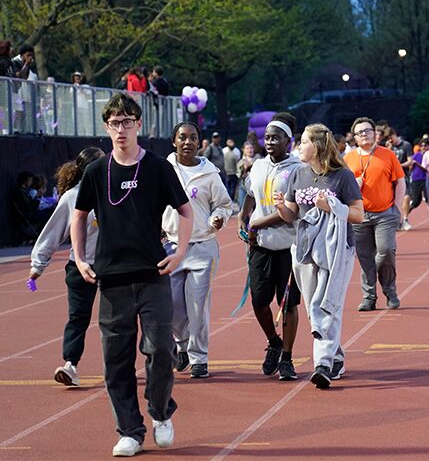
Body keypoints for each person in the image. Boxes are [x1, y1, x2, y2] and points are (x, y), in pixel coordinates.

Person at [71, 93, 193, 457]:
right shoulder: (96, 172)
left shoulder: (157, 167)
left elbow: (185, 211)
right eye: (114, 122)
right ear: (106, 127)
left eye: (127, 121)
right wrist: (80, 258)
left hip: (153, 273)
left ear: (139, 124)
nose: (121, 129)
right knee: (117, 359)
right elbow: (78, 216)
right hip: (112, 280)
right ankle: (129, 431)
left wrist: (181, 252)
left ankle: (159, 410)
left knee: (160, 348)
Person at [274, 123, 364, 389]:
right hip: (304, 250)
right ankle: (335, 355)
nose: (299, 147)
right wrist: (281, 207)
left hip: (337, 251)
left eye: (303, 142)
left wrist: (333, 206)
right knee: (315, 310)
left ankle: (322, 365)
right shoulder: (297, 175)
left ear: (318, 146)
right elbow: (291, 215)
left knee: (328, 304)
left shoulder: (342, 177)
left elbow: (358, 214)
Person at [29, 147, 105, 387]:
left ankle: (120, 365)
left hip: (113, 266)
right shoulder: (72, 196)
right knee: (78, 317)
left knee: (117, 320)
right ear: (89, 169)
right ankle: (70, 365)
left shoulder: (115, 192)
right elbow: (53, 231)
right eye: (102, 163)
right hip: (80, 266)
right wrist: (37, 264)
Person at [163, 122, 232, 379]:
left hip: (202, 247)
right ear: (174, 141)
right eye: (182, 137)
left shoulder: (209, 174)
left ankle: (199, 357)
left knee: (197, 305)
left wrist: (218, 218)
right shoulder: (163, 170)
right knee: (173, 305)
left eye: (193, 138)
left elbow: (224, 205)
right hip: (170, 246)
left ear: (199, 142)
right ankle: (181, 346)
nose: (188, 142)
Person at [238, 113, 303, 381]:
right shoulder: (258, 166)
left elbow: (291, 210)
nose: (269, 142)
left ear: (289, 141)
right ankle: (273, 341)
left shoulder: (298, 169)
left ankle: (287, 358)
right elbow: (251, 197)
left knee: (287, 303)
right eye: (267, 137)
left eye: (276, 138)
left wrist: (258, 224)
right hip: (260, 246)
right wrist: (243, 219)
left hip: (289, 246)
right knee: (258, 301)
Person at [343, 117, 405, 311]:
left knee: (385, 251)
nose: (364, 135)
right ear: (354, 137)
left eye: (367, 131)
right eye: (360, 132)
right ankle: (369, 297)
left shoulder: (387, 154)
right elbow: (341, 187)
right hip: (359, 216)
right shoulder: (348, 159)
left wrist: (396, 208)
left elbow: (400, 182)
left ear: (374, 133)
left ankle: (390, 291)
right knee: (364, 257)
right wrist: (354, 185)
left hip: (385, 213)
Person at [401, 139, 428, 230]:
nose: (424, 147)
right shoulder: (417, 155)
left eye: (425, 145)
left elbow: (427, 169)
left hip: (427, 179)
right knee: (416, 201)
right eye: (422, 146)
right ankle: (405, 216)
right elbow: (410, 166)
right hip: (417, 179)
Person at [236, 140, 261, 210]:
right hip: (244, 186)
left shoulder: (259, 159)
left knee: (257, 208)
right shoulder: (240, 162)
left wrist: (251, 166)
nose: (249, 150)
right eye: (247, 148)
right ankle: (244, 221)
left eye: (251, 148)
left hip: (256, 186)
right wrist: (244, 169)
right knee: (242, 207)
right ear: (243, 150)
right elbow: (239, 176)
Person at [222, 138, 242, 202]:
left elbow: (238, 162)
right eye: (229, 142)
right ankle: (228, 199)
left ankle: (231, 200)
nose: (231, 143)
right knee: (226, 187)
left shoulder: (237, 151)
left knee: (232, 187)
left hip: (234, 172)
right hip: (226, 172)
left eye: (231, 142)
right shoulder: (224, 150)